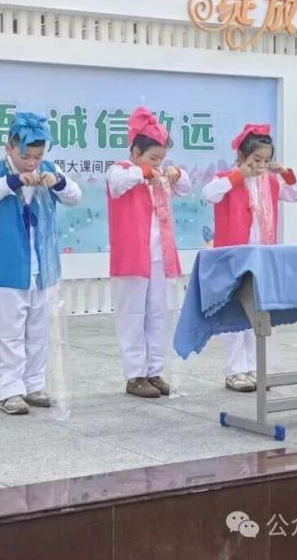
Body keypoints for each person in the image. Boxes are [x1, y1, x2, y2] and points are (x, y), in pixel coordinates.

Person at [0, 112, 81, 415]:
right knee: (9, 331)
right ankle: (10, 390)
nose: (32, 162)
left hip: (43, 266)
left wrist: (58, 182)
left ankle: (34, 385)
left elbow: (74, 196)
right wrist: (13, 181)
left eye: (37, 156)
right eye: (25, 156)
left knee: (39, 328)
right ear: (9, 147)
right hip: (9, 265)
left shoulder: (50, 170)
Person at [201, 123, 297, 392]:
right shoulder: (227, 178)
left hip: (262, 254)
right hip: (234, 255)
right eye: (256, 159)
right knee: (236, 312)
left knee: (257, 312)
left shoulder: (271, 181)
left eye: (266, 160)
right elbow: (209, 193)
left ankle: (255, 367)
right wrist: (238, 175)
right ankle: (235, 370)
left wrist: (285, 173)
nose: (261, 165)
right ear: (242, 156)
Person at [107, 107, 191, 398]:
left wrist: (176, 173)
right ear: (135, 152)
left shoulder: (160, 176)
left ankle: (155, 371)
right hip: (132, 257)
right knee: (132, 315)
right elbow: (118, 184)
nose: (158, 164)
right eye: (153, 158)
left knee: (158, 314)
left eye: (161, 158)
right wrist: (143, 172)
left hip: (159, 256)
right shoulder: (120, 171)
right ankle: (135, 375)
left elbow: (185, 187)